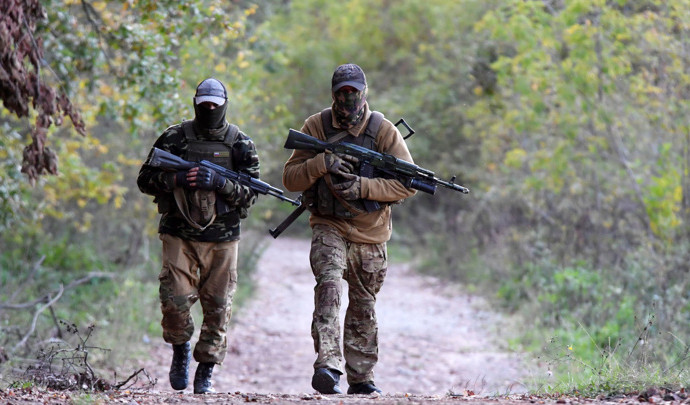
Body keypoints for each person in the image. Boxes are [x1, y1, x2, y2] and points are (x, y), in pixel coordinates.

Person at [282, 63, 417, 395]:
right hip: (329, 224)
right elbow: (290, 179)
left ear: (364, 92)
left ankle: (360, 377)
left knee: (363, 305)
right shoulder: (316, 126)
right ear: (333, 94)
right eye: (342, 93)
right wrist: (320, 164)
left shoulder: (383, 131)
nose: (348, 99)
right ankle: (328, 364)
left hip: (371, 231)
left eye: (353, 92)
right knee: (328, 287)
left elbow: (408, 184)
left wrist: (363, 187)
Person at [137, 77, 259, 394]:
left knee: (218, 306)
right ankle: (180, 351)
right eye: (203, 104)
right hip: (178, 232)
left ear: (224, 105)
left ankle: (205, 369)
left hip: (224, 238)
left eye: (213, 106)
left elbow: (251, 193)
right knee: (174, 300)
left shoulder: (240, 143)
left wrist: (220, 183)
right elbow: (145, 179)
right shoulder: (175, 138)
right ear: (195, 103)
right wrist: (178, 177)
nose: (208, 109)